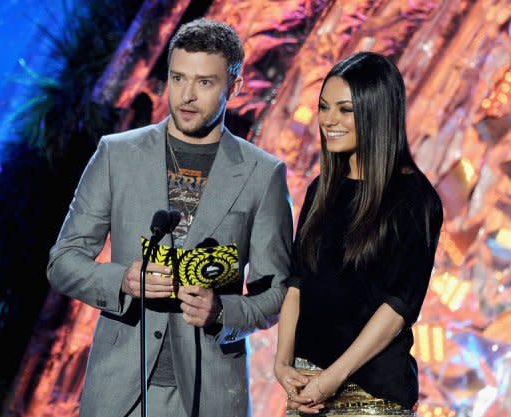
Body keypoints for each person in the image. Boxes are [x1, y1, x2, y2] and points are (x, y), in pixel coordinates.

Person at [47, 18, 293, 417]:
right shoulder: (117, 154)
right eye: (178, 78)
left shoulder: (262, 175)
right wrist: (122, 280)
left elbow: (276, 293)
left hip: (207, 395)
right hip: (120, 391)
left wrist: (222, 312)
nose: (187, 95)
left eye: (205, 82)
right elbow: (63, 261)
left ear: (234, 86)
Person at [274, 52, 443, 416]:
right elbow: (297, 281)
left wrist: (332, 378)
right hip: (307, 388)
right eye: (323, 107)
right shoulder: (321, 190)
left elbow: (398, 307)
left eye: (344, 110)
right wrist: (282, 361)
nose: (328, 120)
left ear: (376, 112)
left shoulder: (415, 199)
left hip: (371, 397)